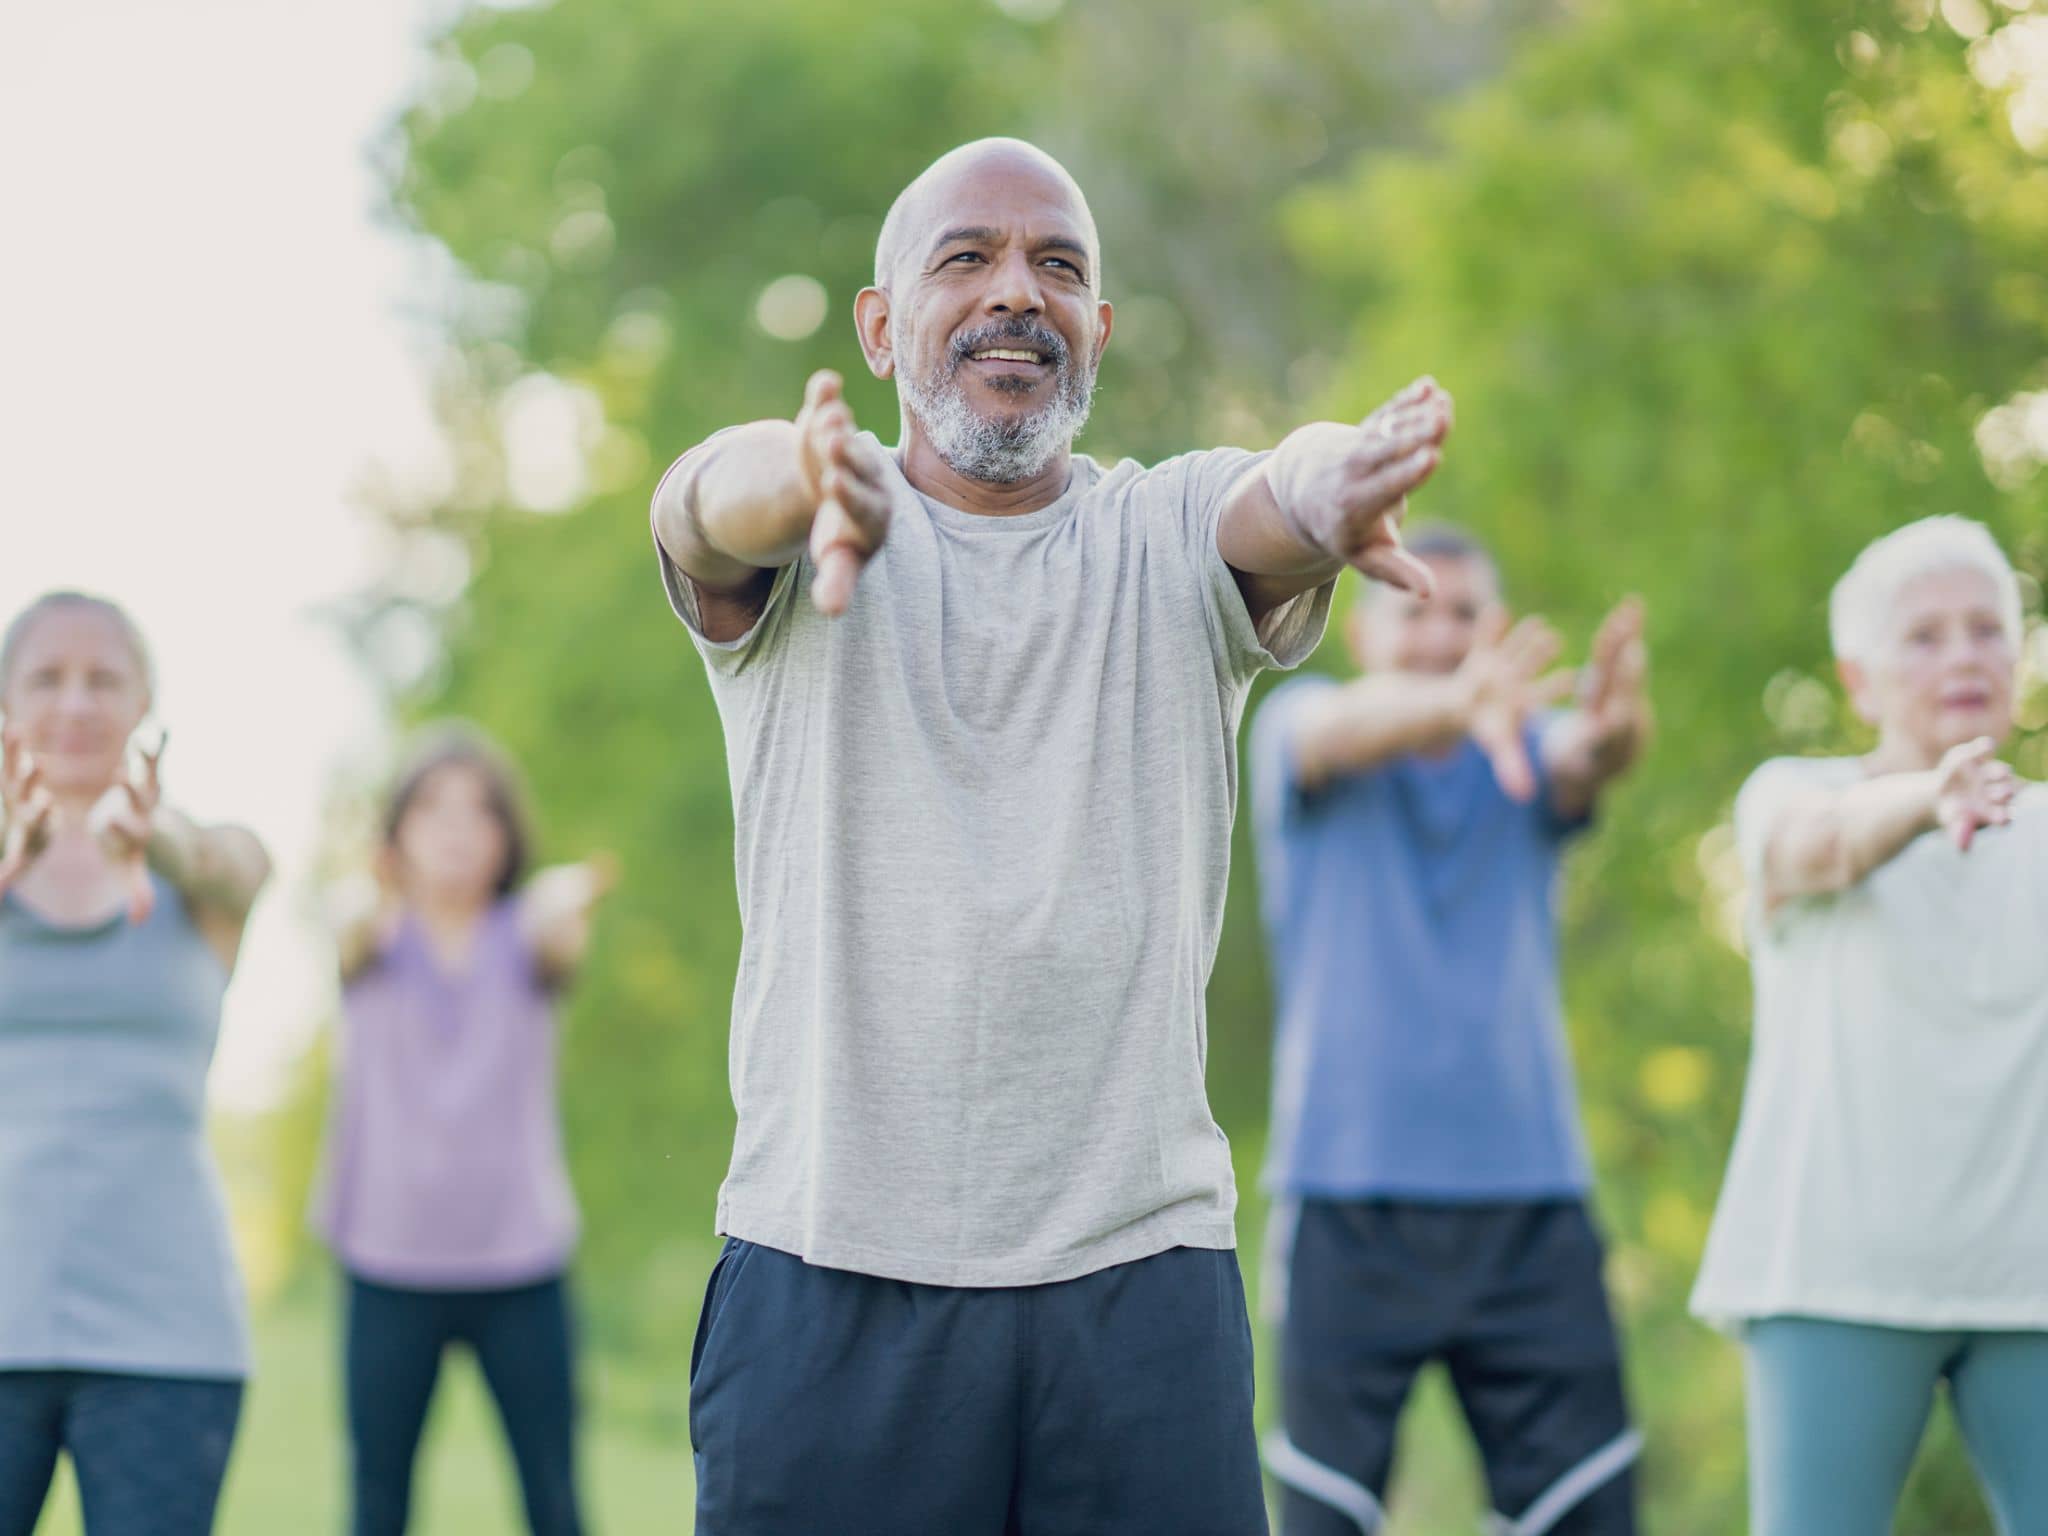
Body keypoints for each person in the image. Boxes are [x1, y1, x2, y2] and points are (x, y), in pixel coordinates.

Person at [649, 136, 1454, 1535]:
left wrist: (1335, 484)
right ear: (880, 328)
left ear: (1098, 329)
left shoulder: (1163, 530)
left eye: (1058, 267)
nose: (1017, 292)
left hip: (1137, 1290)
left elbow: (1279, 490)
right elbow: (705, 507)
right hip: (828, 1277)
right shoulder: (798, 534)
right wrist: (803, 480)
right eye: (966, 259)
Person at [1252, 528, 1653, 1536]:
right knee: (1322, 1516)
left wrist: (1616, 728)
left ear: (1495, 627)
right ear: (1360, 630)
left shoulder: (1524, 746)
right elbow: (1339, 732)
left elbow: (1587, 754)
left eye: (1464, 615)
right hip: (1347, 1202)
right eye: (1413, 613)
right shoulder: (1302, 723)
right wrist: (1461, 704)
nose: (1440, 638)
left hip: (1529, 1204)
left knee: (1585, 1512)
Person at [1691, 516, 2048, 1536]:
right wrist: (1927, 802)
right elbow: (1823, 850)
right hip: (1831, 1278)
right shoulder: (1792, 795)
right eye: (1924, 636)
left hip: (2027, 1282)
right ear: (1859, 681)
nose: (1963, 657)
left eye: (1986, 629)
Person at [0, 591, 271, 1536]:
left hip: (169, 1339)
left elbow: (229, 865)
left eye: (103, 679)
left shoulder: (206, 866)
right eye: (47, 678)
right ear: (7, 705)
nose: (76, 703)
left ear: (144, 705)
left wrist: (148, 837)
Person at [316, 727, 614, 1536]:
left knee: (555, 1501)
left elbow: (561, 934)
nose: (455, 829)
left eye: (479, 811)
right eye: (432, 809)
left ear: (506, 837)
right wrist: (369, 894)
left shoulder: (530, 936)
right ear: (397, 834)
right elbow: (347, 921)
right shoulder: (370, 934)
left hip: (519, 1261)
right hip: (386, 1259)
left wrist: (562, 902)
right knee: (376, 1504)